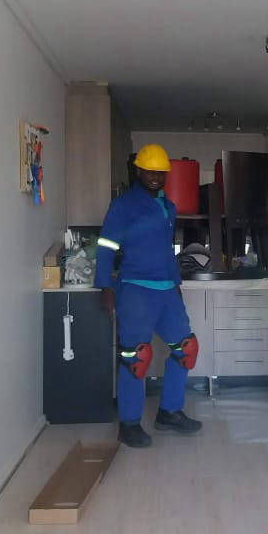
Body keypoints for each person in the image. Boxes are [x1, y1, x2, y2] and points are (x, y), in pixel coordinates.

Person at [95, 143, 202, 448]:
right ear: (138, 171)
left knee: (185, 349)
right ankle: (129, 424)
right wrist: (105, 287)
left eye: (160, 172)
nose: (155, 177)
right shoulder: (123, 206)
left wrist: (176, 285)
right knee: (136, 356)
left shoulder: (168, 206)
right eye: (149, 171)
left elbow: (167, 252)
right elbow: (106, 248)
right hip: (136, 291)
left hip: (166, 291)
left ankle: (169, 412)